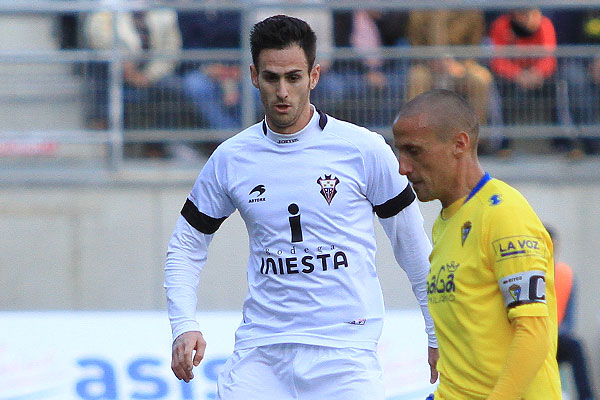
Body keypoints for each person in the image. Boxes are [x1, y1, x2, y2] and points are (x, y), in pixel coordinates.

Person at [165, 15, 437, 399]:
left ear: (314, 75)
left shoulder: (364, 150)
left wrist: (436, 330)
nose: (282, 92)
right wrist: (183, 324)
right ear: (253, 75)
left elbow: (413, 246)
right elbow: (185, 246)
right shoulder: (232, 158)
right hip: (261, 352)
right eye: (271, 78)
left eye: (293, 77)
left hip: (344, 354)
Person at [393, 89, 561, 399]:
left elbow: (533, 333)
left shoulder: (504, 214)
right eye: (398, 152)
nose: (403, 167)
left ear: (459, 144)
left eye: (414, 151)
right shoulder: (446, 222)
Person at [406, 9, 492, 125]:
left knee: (481, 78)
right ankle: (415, 131)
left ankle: (475, 134)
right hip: (429, 65)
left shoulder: (472, 12)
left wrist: (459, 65)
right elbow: (415, 45)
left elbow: (474, 46)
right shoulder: (419, 11)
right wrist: (431, 62)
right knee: (417, 77)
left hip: (461, 65)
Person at [547, 226, 595, 400]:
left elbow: (569, 318)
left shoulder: (565, 274)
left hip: (556, 337)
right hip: (532, 337)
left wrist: (557, 334)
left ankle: (587, 396)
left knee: (575, 345)